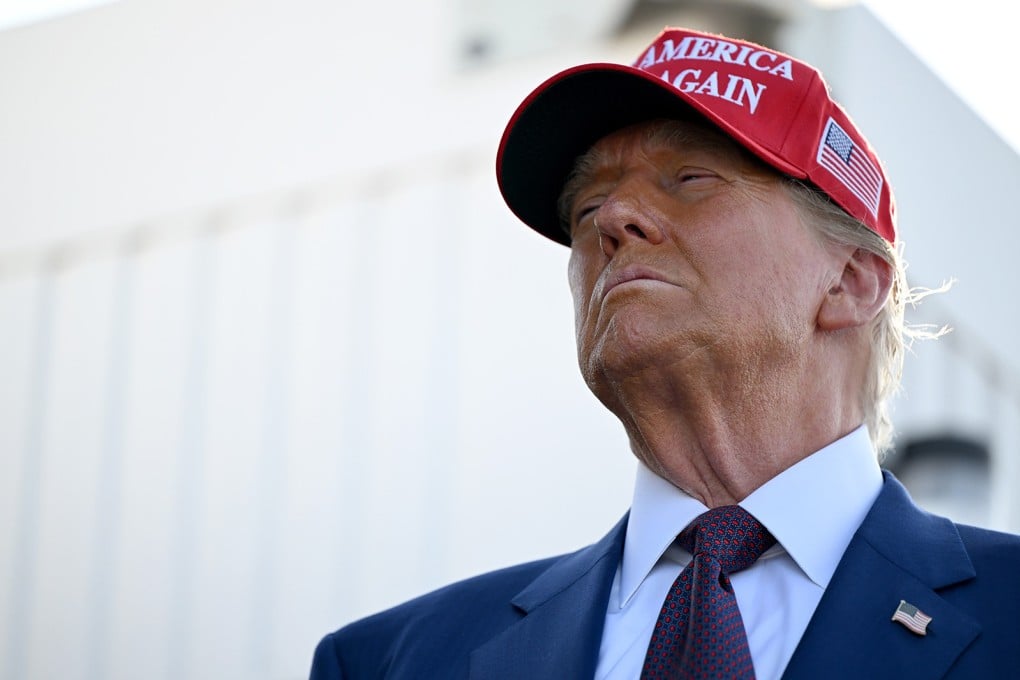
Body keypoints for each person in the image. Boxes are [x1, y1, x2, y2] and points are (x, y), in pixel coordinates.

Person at [309, 26, 1020, 679]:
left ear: (849, 282)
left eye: (689, 179)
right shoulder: (393, 662)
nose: (613, 220)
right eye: (586, 209)